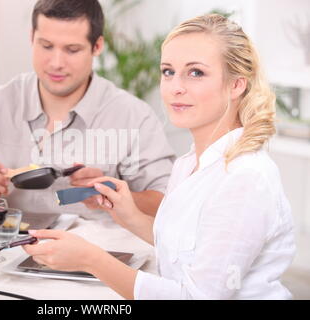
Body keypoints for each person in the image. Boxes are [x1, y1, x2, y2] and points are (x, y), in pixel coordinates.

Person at [23, 14, 296, 299]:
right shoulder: (190, 163)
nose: (175, 87)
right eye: (168, 71)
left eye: (196, 73)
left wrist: (90, 259)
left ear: (236, 85)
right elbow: (187, 254)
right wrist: (129, 217)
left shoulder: (245, 177)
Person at [0, 0, 175, 218]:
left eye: (72, 50)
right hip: (6, 253)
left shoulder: (133, 116)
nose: (56, 63)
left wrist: (110, 195)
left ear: (97, 46)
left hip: (97, 259)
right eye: (46, 46)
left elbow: (168, 204)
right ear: (31, 38)